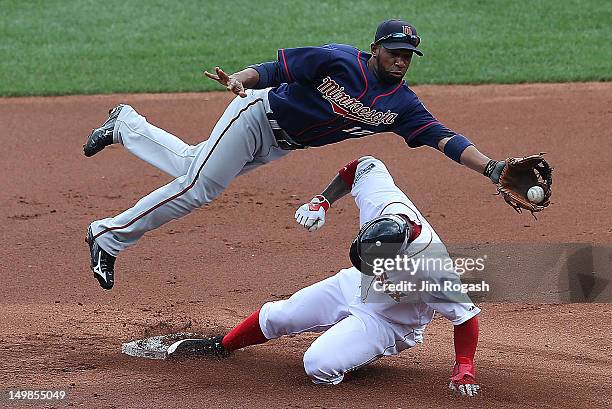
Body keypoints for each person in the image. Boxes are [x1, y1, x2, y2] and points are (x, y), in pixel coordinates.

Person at [84, 19, 506, 289]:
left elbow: (443, 138)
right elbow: (276, 69)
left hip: (280, 144)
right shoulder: (339, 60)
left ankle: (126, 125)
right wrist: (241, 78)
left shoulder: (403, 104)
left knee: (191, 165)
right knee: (199, 187)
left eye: (408, 55)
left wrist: (490, 168)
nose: (401, 60)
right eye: (394, 51)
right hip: (256, 115)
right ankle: (108, 235)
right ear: (375, 47)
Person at [175, 156, 481, 396]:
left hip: (391, 320)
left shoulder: (434, 268)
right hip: (355, 285)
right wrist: (322, 200)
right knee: (281, 315)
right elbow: (361, 166)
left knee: (319, 365)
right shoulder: (384, 204)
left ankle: (353, 353)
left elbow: (465, 317)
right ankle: (222, 345)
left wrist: (464, 365)